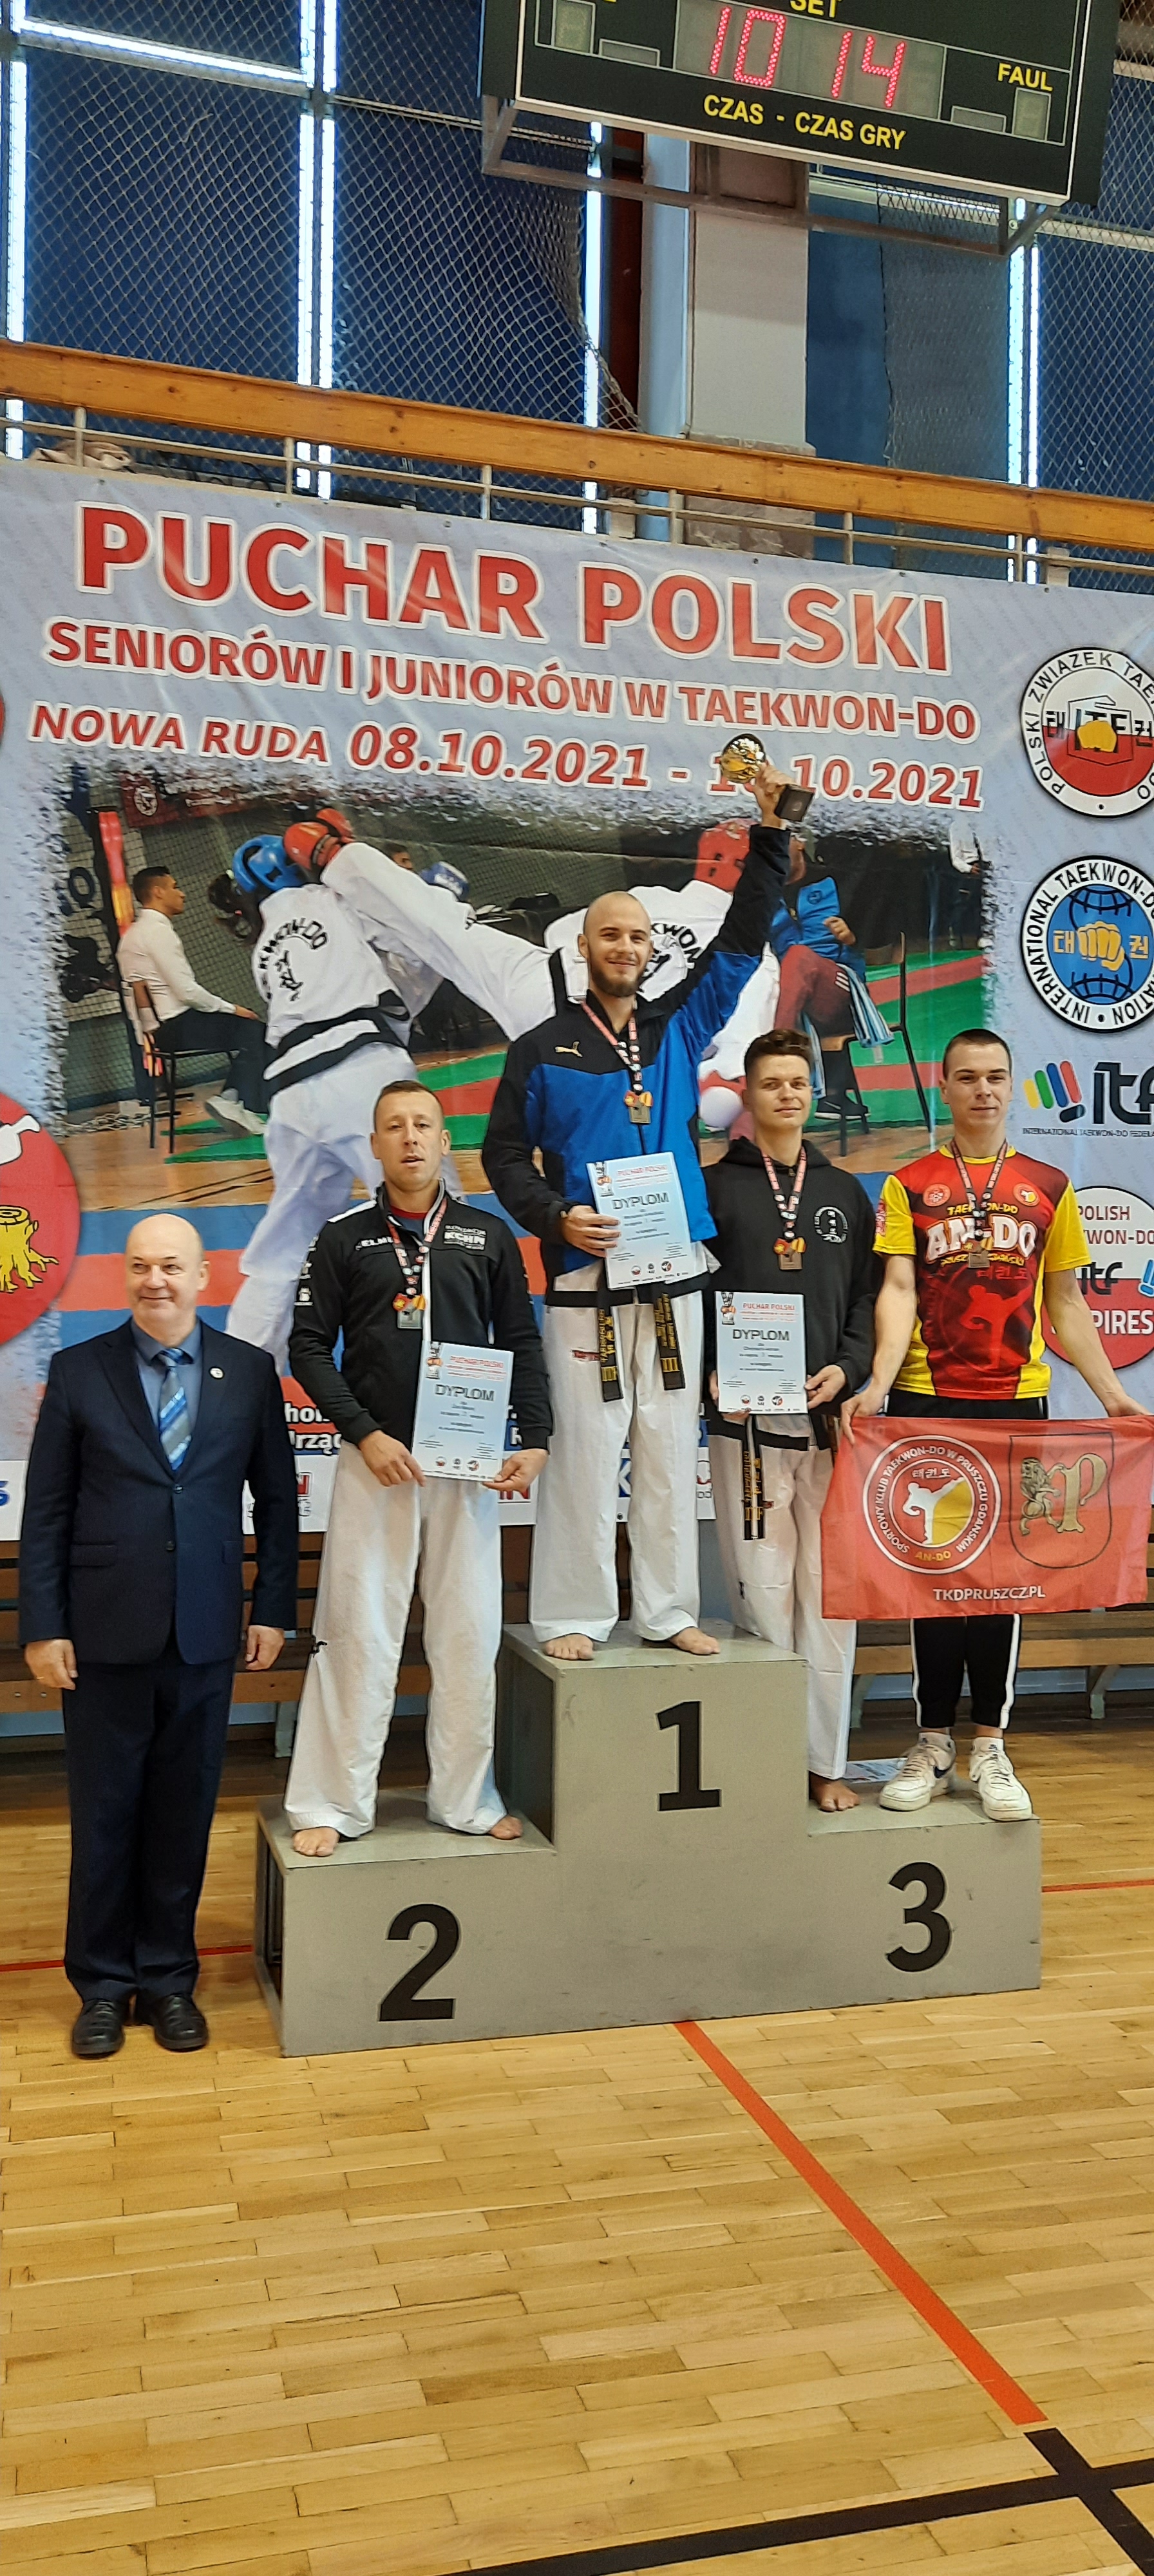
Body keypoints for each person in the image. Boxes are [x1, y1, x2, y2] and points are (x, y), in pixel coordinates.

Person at [481, 762, 792, 1664]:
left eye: (637, 935)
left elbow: (740, 942)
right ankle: (571, 1613)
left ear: (652, 950)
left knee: (664, 1445)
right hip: (588, 1274)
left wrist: (770, 837)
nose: (625, 946)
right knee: (586, 1448)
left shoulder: (677, 1028)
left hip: (675, 1272)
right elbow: (503, 1156)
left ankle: (666, 1609)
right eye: (610, 934)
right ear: (585, 948)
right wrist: (555, 1218)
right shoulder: (540, 1050)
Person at [843, 1028, 1148, 1820]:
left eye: (995, 1077)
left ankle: (989, 1744)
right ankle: (930, 1740)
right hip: (926, 1400)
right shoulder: (909, 1184)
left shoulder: (1049, 1185)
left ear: (1011, 1086)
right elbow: (898, 1288)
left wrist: (1112, 1395)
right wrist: (879, 1383)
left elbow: (1066, 1302)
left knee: (1003, 1578)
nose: (982, 1089)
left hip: (1015, 1405)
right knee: (933, 1572)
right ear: (944, 1086)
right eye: (967, 1077)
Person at [19, 1215, 298, 2058]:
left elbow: (276, 1504)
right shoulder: (79, 1371)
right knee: (105, 1817)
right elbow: (47, 1512)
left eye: (172, 1266)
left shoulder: (248, 1371)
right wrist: (44, 1627)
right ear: (126, 1276)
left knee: (183, 1815)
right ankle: (104, 1987)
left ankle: (170, 1979)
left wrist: (272, 1608)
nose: (156, 1281)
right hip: (103, 1634)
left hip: (205, 1631)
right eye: (141, 1266)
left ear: (203, 1276)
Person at [284, 1079, 552, 1853]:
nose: (409, 1137)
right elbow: (307, 1346)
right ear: (374, 1145)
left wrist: (535, 1436)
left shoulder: (486, 1235)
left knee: (468, 1636)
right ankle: (333, 1803)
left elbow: (520, 1340)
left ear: (443, 1140)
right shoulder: (343, 1237)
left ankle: (465, 1798)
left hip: (465, 1467)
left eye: (422, 1124)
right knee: (357, 1634)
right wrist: (364, 1433)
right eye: (394, 1126)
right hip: (376, 1465)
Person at [291, 810, 780, 1133]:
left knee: (447, 930)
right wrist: (716, 1084)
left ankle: (338, 856)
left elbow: (557, 933)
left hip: (546, 984)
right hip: (613, 1059)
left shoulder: (649, 898)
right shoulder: (754, 956)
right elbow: (737, 1056)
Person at [705, 1030, 879, 1810]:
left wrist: (849, 1366)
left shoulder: (844, 1191)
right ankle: (766, 1761)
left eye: (798, 1083)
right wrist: (710, 1370)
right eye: (772, 1082)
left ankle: (822, 1761)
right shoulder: (714, 1188)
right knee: (764, 1590)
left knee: (827, 1595)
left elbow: (870, 1295)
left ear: (813, 1092)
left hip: (829, 1422)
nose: (786, 1094)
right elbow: (689, 1293)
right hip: (745, 1422)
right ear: (747, 1093)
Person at [216, 836, 451, 1370]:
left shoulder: (266, 947)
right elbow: (412, 946)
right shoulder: (335, 898)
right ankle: (453, 1379)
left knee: (285, 1248)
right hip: (361, 1072)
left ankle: (238, 1378)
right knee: (434, 1221)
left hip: (292, 1095)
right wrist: (436, 893)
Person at [117, 865, 268, 1133]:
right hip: (178, 1026)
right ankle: (237, 1102)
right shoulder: (157, 932)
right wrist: (233, 1009)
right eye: (175, 887)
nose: (182, 894)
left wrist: (145, 1037)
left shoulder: (131, 936)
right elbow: (187, 992)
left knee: (252, 1034)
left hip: (159, 1034)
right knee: (258, 1032)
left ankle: (235, 1100)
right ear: (158, 892)